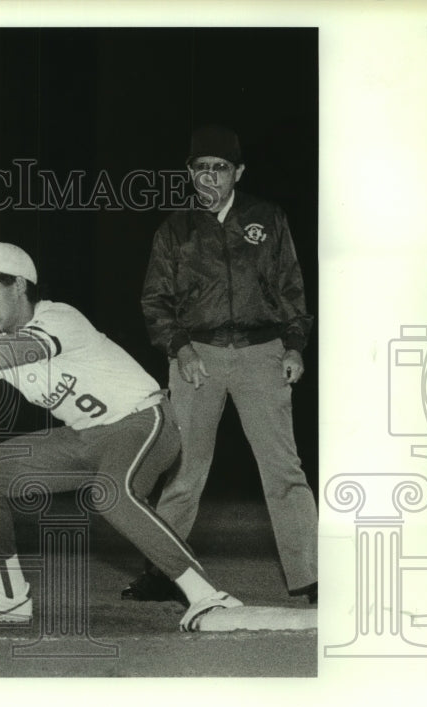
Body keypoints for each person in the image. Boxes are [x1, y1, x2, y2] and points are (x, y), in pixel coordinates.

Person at [0, 241, 243, 631]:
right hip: (85, 438)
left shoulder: (59, 318)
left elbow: (10, 355)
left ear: (19, 285)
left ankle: (209, 597)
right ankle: (8, 597)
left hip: (144, 422)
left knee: (111, 491)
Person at [123, 124, 318, 604]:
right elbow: (155, 300)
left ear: (238, 172)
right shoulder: (175, 228)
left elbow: (291, 287)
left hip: (261, 352)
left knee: (283, 469)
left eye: (221, 168)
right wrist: (180, 349)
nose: (210, 176)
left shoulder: (267, 218)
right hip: (198, 356)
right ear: (190, 173)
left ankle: (310, 574)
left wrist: (294, 345)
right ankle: (165, 572)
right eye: (201, 168)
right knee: (185, 468)